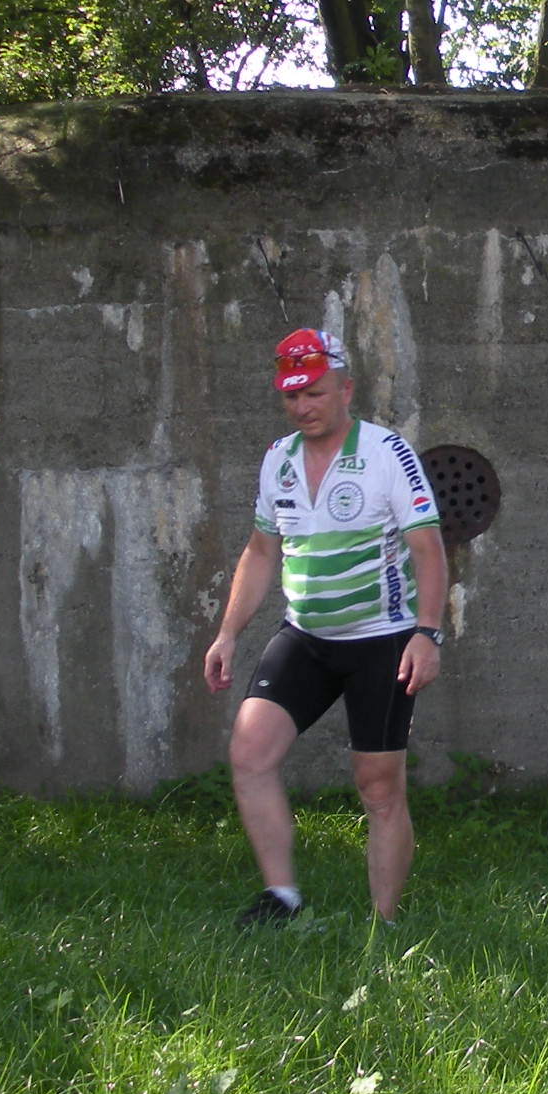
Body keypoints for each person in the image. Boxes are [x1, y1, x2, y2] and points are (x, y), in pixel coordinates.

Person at [203, 328, 449, 925]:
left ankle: (384, 925)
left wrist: (427, 633)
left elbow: (428, 549)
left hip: (383, 639)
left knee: (378, 786)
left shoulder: (387, 454)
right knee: (250, 752)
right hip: (306, 638)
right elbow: (261, 551)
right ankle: (282, 898)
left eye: (314, 393)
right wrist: (228, 632)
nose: (303, 407)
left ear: (345, 389)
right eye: (291, 396)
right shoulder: (278, 459)